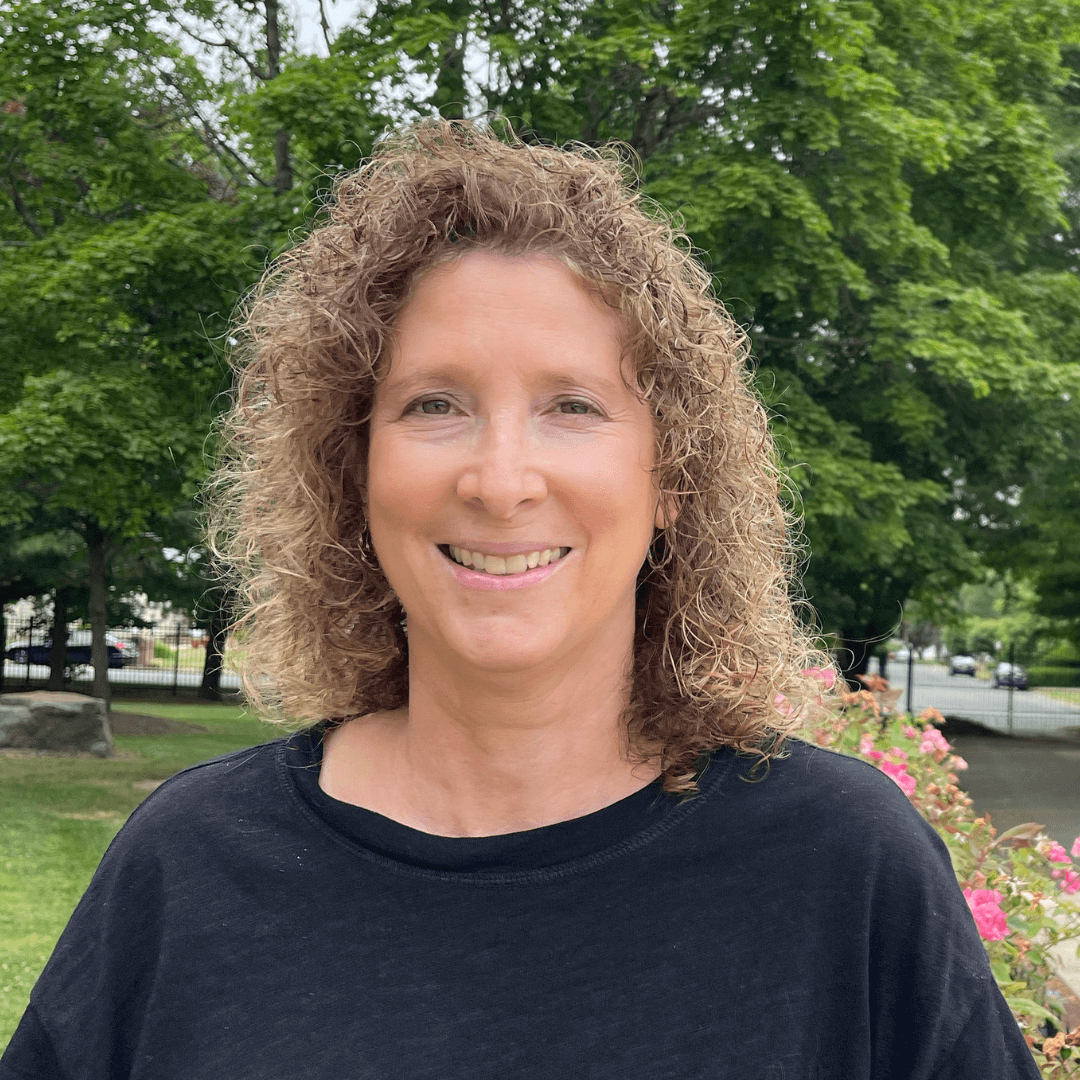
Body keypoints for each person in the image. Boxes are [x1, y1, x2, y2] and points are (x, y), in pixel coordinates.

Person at [0, 120, 1038, 1079]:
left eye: (572, 406)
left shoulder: (846, 871)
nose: (500, 482)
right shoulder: (187, 868)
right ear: (352, 469)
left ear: (670, 478)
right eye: (434, 404)